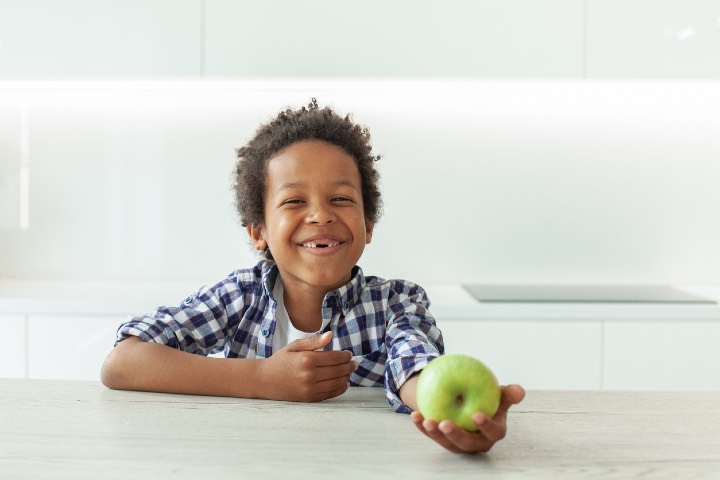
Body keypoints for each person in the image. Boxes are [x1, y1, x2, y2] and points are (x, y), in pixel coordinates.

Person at [101, 99, 525, 453]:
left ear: (369, 224)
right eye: (294, 201)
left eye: (341, 198)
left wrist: (448, 414)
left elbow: (412, 364)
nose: (321, 214)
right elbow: (123, 362)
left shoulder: (398, 303)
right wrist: (262, 379)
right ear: (258, 232)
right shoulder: (240, 296)